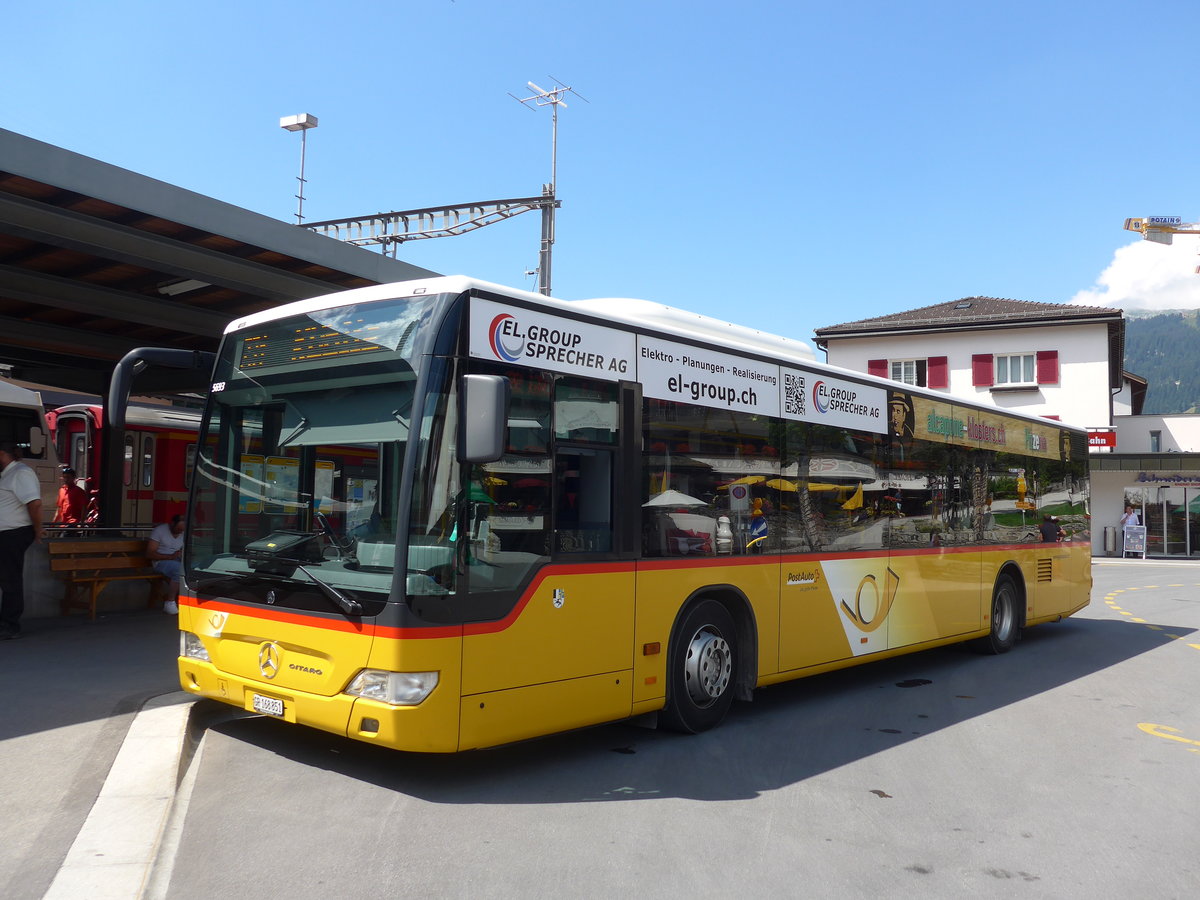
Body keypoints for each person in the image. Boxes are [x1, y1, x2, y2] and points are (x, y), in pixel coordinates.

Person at [0, 442, 45, 639]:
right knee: (6, 578)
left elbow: (34, 504)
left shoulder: (21, 473)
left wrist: (38, 529)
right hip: (6, 533)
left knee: (10, 579)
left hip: (13, 533)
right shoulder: (7, 475)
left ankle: (10, 625)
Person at [148, 513, 185, 615]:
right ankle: (170, 601)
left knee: (193, 568)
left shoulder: (183, 532)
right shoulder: (159, 531)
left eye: (182, 530)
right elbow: (150, 553)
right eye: (178, 529)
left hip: (176, 560)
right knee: (179, 570)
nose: (180, 532)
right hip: (160, 562)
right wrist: (170, 556)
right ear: (172, 523)